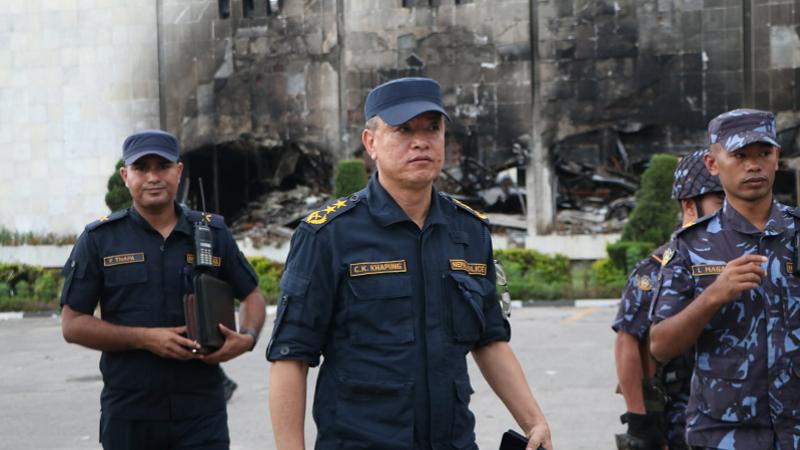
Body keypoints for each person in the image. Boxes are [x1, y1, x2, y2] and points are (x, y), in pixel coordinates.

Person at [266, 77, 552, 450]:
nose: (420, 141)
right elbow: (291, 356)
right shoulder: (328, 235)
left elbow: (490, 340)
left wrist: (534, 421)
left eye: (432, 128)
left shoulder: (469, 232)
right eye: (403, 130)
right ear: (371, 142)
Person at [60, 130, 266, 450]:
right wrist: (145, 338)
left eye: (163, 166)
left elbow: (252, 294)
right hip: (130, 413)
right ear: (125, 176)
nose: (153, 177)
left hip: (201, 412)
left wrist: (248, 338)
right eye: (141, 168)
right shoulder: (100, 239)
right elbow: (72, 324)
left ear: (179, 171)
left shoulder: (211, 232)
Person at [649, 109, 795, 449]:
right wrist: (713, 295)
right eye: (740, 155)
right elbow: (660, 346)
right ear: (713, 164)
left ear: (777, 158)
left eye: (764, 153)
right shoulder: (689, 247)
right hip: (723, 436)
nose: (754, 165)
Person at [612, 149, 724, 450]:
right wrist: (640, 420)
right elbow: (627, 339)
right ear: (689, 205)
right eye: (720, 201)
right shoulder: (658, 267)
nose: (729, 211)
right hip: (680, 420)